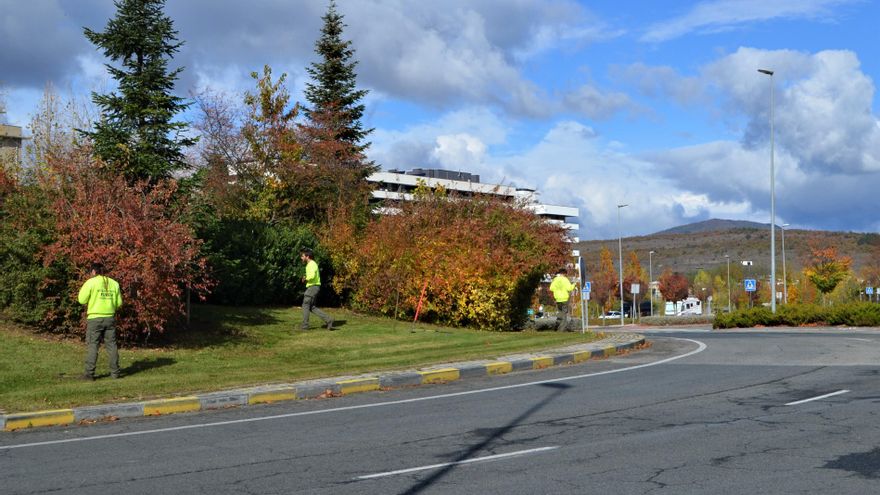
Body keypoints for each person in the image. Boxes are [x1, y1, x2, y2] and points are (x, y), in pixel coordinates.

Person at [77, 262, 122, 380]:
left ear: (93, 271)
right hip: (110, 318)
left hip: (95, 318)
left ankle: (89, 374)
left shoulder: (91, 282)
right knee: (112, 345)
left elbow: (81, 300)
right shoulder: (114, 283)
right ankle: (115, 373)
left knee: (93, 345)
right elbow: (119, 303)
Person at [300, 248, 334, 330]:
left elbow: (311, 276)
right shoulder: (311, 264)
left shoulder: (311, 264)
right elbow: (312, 275)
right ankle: (329, 320)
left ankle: (305, 326)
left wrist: (305, 278)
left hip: (313, 287)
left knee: (305, 305)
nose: (301, 257)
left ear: (307, 256)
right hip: (314, 287)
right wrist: (306, 277)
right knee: (312, 307)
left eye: (302, 256)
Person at [549, 268, 576, 332]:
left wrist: (557, 289)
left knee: (560, 313)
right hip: (564, 299)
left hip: (558, 299)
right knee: (564, 315)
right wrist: (574, 284)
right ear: (564, 274)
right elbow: (569, 288)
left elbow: (551, 288)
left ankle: (557, 326)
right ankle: (562, 329)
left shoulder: (555, 280)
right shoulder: (565, 280)